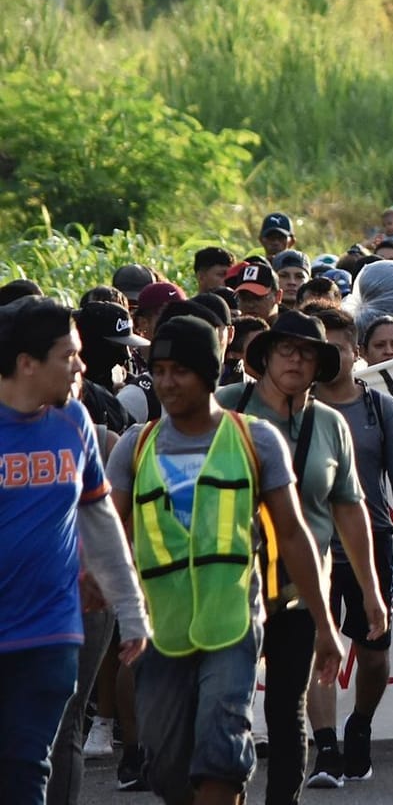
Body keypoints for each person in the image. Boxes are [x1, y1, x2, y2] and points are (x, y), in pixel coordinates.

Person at [107, 314, 345, 805]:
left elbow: (295, 535)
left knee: (220, 757)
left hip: (233, 627)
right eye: (161, 370)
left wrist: (324, 624)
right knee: (168, 769)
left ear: (209, 373)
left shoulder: (254, 440)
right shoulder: (135, 446)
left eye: (181, 371)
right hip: (161, 634)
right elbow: (109, 536)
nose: (168, 383)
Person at [215, 312, 385, 805]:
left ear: (319, 366)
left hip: (302, 587)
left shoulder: (330, 425)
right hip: (228, 580)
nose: (294, 359)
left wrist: (371, 591)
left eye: (306, 352)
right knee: (227, 704)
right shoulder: (226, 407)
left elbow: (351, 511)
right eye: (284, 349)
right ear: (264, 357)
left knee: (288, 707)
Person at [0, 298, 151, 805]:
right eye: (69, 355)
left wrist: (130, 610)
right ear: (27, 363)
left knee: (27, 767)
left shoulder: (75, 423)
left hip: (51, 630)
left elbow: (100, 517)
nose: (82, 367)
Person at [303, 309, 393, 786]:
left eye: (339, 348)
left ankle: (360, 724)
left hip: (370, 545)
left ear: (355, 353)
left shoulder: (381, 408)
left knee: (373, 655)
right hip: (310, 547)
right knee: (319, 648)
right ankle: (327, 747)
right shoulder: (296, 408)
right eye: (321, 349)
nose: (331, 358)